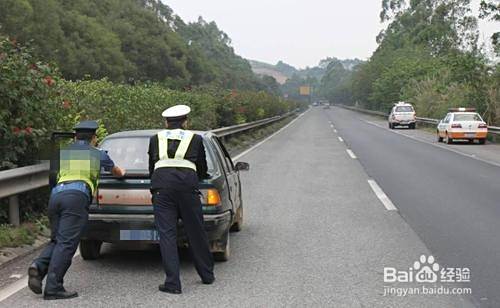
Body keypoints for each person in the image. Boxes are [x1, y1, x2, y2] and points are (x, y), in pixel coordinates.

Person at [28, 120, 125, 300]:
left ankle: (38, 266)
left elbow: (52, 176)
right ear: (94, 138)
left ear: (75, 137)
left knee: (57, 239)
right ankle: (54, 288)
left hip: (56, 196)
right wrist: (122, 171)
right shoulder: (97, 154)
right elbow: (117, 172)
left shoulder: (62, 153)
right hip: (76, 197)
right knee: (67, 243)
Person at [148, 104, 215, 294]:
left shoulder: (155, 139)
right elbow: (201, 166)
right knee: (195, 231)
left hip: (162, 188)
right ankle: (206, 275)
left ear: (166, 122)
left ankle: (172, 283)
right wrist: (198, 177)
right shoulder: (195, 138)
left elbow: (152, 167)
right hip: (187, 187)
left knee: (167, 235)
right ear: (186, 122)